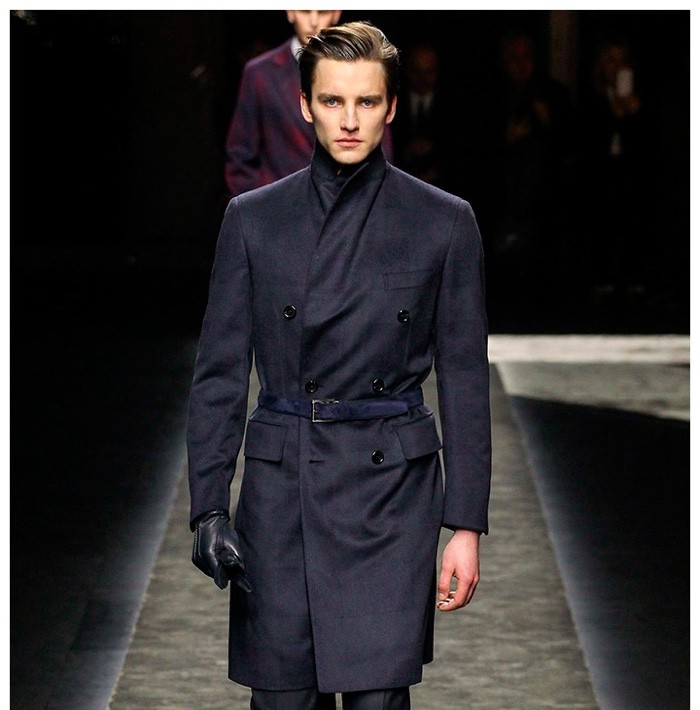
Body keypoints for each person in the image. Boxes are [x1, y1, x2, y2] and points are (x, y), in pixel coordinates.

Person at [188, 20, 491, 710]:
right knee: (282, 699)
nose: (349, 120)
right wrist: (207, 506)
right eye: (332, 100)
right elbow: (220, 374)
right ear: (304, 105)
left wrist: (466, 526)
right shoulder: (253, 219)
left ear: (391, 107)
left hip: (392, 497)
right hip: (281, 491)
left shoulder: (444, 222)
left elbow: (465, 380)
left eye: (366, 101)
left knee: (378, 699)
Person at [223, 10, 393, 198]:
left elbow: (380, 145)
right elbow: (240, 155)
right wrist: (258, 208)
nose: (313, 21)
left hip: (354, 201)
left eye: (322, 12)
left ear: (336, 13)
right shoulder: (260, 74)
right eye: (305, 11)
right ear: (290, 12)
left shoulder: (364, 70)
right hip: (280, 203)